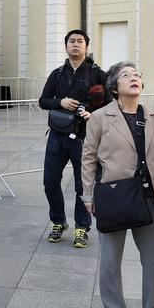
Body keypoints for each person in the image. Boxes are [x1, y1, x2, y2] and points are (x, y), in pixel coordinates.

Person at [81, 62, 154, 308]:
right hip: (115, 195)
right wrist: (88, 194)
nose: (134, 78)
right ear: (114, 87)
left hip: (150, 196)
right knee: (111, 260)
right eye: (126, 75)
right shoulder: (100, 117)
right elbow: (88, 158)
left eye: (137, 74)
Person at [38, 29, 108, 248]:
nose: (75, 44)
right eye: (71, 41)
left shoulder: (98, 74)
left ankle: (82, 227)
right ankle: (58, 221)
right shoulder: (58, 73)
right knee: (50, 182)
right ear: (66, 46)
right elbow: (43, 100)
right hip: (58, 135)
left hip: (85, 137)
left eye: (79, 41)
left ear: (86, 46)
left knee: (83, 184)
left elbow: (110, 104)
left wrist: (94, 114)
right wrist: (60, 102)